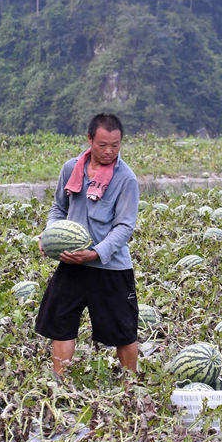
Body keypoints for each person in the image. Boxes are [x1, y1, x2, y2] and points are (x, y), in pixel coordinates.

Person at [35, 113, 140, 376]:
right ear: (90, 139)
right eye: (103, 145)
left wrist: (95, 253)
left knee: (123, 332)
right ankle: (59, 384)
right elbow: (58, 208)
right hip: (72, 263)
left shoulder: (125, 179)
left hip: (110, 266)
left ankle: (130, 387)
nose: (109, 151)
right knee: (61, 324)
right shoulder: (71, 169)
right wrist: (49, 236)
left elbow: (125, 226)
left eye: (115, 145)